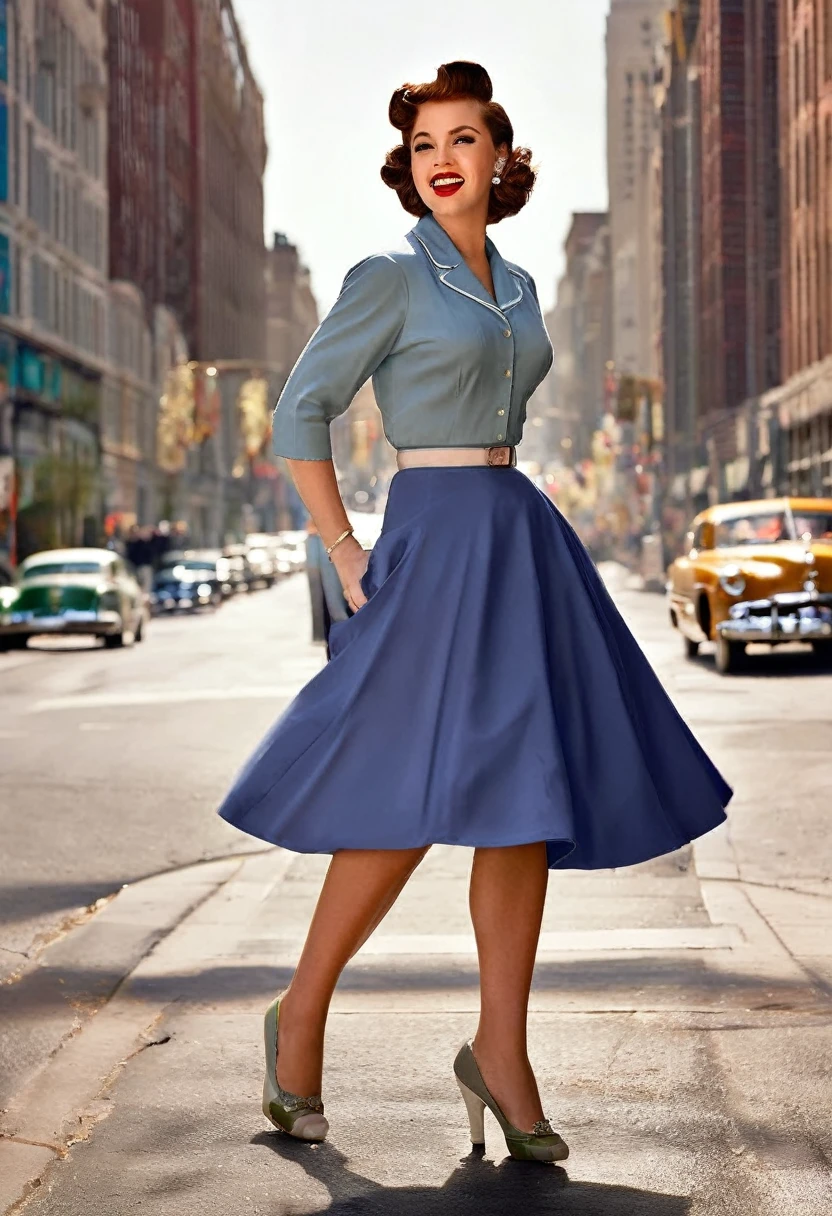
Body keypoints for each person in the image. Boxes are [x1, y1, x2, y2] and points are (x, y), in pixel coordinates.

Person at [218, 61, 731, 1161]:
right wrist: (345, 546)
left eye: (463, 140)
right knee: (402, 794)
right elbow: (299, 411)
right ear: (407, 171)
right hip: (433, 534)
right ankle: (298, 1013)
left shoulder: (519, 287)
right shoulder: (387, 275)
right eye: (423, 147)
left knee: (521, 801)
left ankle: (501, 1051)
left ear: (499, 158)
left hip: (518, 534)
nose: (443, 160)